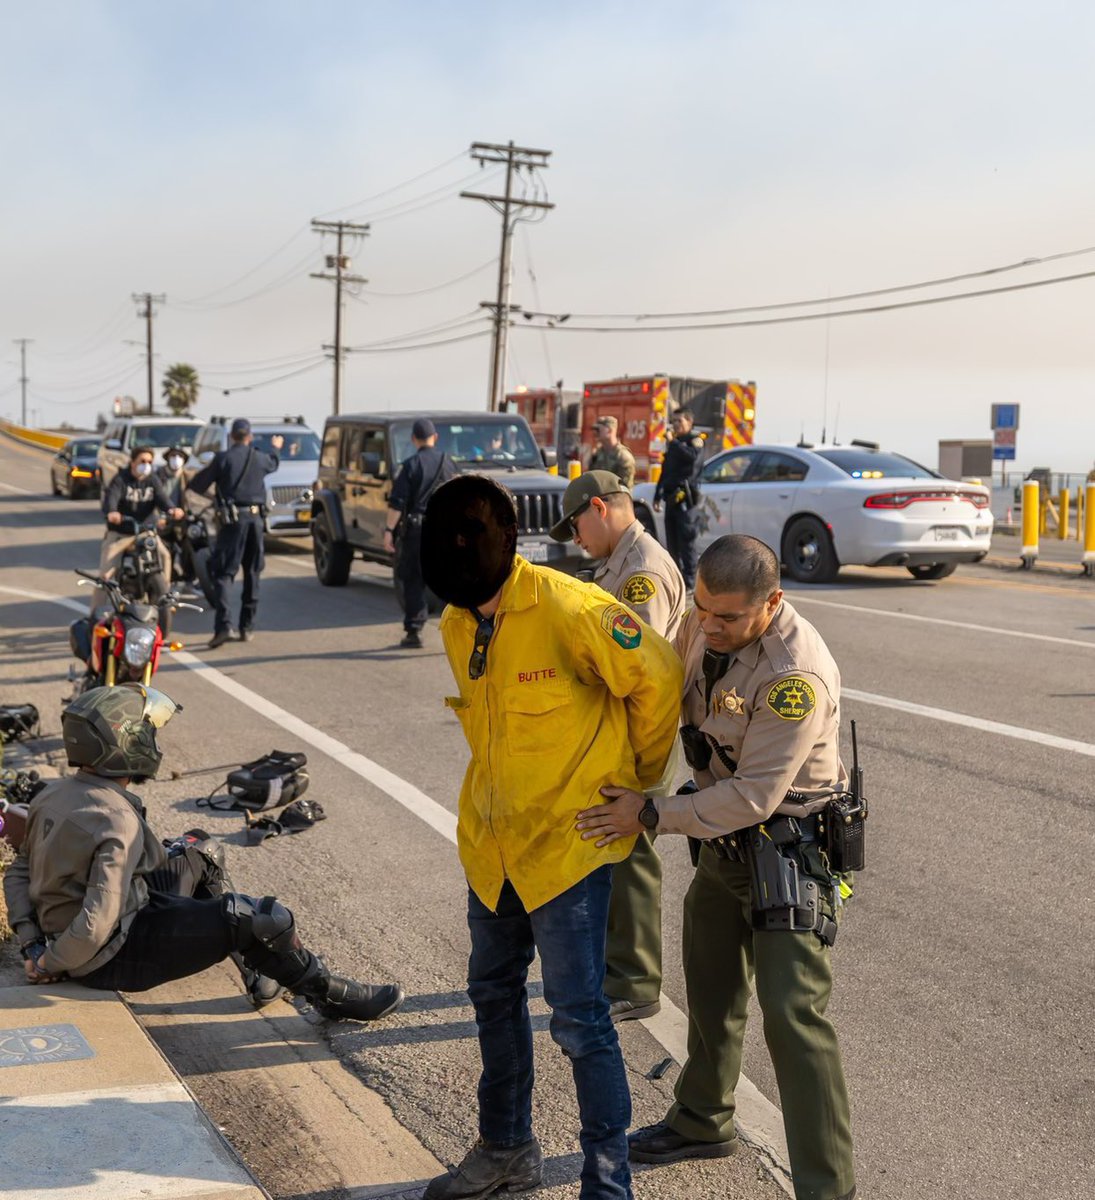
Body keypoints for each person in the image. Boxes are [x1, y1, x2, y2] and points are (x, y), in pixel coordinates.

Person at [419, 475, 682, 1200]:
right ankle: (505, 1148)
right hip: (493, 849)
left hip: (568, 846)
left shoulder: (571, 608)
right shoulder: (455, 620)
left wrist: (639, 786)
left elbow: (656, 677)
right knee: (492, 995)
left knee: (579, 1022)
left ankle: (606, 1184)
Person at [575, 534, 857, 1200]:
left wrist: (648, 814)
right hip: (723, 850)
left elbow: (756, 794)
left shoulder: (793, 676)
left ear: (772, 602)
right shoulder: (705, 627)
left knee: (792, 1015)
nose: (710, 625)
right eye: (702, 609)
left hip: (788, 852)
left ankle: (827, 1187)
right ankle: (702, 1119)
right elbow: (665, 685)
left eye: (728, 616)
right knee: (709, 992)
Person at [4, 683, 404, 1024]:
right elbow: (96, 922)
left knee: (200, 848)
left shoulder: (53, 794)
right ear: (126, 742)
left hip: (102, 922)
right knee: (265, 917)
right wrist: (49, 963)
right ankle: (328, 996)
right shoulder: (115, 820)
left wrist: (33, 945)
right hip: (113, 951)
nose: (154, 740)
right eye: (148, 732)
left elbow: (19, 872)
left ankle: (256, 967)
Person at [548, 470, 686, 1023]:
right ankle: (618, 969)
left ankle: (635, 981)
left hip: (642, 732)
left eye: (577, 524)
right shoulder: (619, 563)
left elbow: (637, 667)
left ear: (600, 508)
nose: (576, 537)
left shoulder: (641, 574)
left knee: (631, 849)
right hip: (627, 730)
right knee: (613, 842)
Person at [189, 417, 282, 648]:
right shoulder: (260, 458)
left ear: (231, 436)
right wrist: (276, 448)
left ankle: (224, 626)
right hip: (256, 521)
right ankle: (247, 627)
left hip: (232, 522)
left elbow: (197, 485)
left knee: (223, 573)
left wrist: (219, 498)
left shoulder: (223, 459)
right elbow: (274, 463)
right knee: (252, 572)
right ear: (249, 437)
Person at [383, 417, 457, 649]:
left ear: (414, 439)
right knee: (447, 581)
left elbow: (397, 503)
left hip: (417, 532)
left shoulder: (411, 465)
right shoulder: (449, 463)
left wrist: (388, 531)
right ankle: (459, 628)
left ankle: (414, 631)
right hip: (444, 531)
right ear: (435, 437)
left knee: (413, 579)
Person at [93, 444, 183, 612]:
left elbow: (163, 499)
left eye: (149, 461)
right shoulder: (121, 479)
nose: (146, 464)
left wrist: (172, 510)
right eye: (142, 461)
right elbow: (111, 499)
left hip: (145, 532)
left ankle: (165, 599)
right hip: (121, 533)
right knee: (105, 575)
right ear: (132, 462)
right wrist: (113, 512)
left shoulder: (153, 480)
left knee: (165, 556)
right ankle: (95, 616)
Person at [653, 409, 705, 590]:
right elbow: (666, 470)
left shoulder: (694, 440)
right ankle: (676, 581)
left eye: (679, 421)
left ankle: (690, 582)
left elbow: (692, 458)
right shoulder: (674, 444)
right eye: (673, 421)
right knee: (672, 541)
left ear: (690, 422)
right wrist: (658, 494)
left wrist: (674, 442)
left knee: (687, 541)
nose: (675, 425)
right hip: (671, 498)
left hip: (685, 499)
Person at [589, 416, 636, 488]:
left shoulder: (623, 457)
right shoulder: (597, 454)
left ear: (609, 431)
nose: (595, 433)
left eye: (598, 430)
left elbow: (625, 488)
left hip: (616, 497)